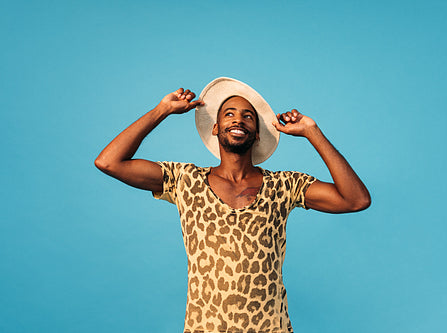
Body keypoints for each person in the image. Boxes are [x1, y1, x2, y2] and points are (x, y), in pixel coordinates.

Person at [95, 77, 370, 333]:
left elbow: (356, 200)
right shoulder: (185, 180)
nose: (238, 119)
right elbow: (109, 162)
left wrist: (313, 132)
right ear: (215, 128)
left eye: (248, 116)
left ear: (258, 134)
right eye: (229, 113)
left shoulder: (285, 185)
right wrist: (161, 111)